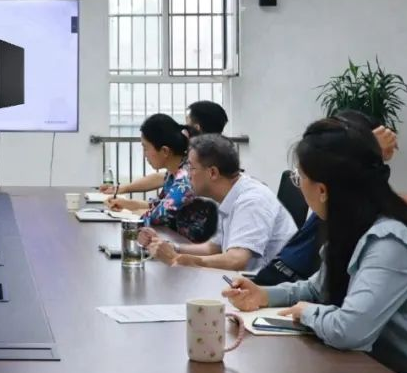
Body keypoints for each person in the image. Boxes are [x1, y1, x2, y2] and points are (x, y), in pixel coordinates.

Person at [224, 117, 407, 373]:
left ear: (323, 190)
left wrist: (307, 312)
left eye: (299, 178)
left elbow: (349, 330)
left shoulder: (390, 242)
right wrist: (263, 295)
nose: (298, 186)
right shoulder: (352, 227)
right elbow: (316, 289)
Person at [253, 110, 399, 286]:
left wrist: (369, 150)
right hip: (283, 277)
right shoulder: (330, 198)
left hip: (291, 280)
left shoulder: (383, 237)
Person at [141, 134, 296, 270]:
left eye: (191, 168)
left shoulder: (251, 201)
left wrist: (178, 259)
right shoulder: (228, 194)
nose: (187, 175)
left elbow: (236, 260)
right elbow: (213, 248)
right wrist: (171, 247)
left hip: (265, 285)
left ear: (213, 173)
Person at [106, 114, 215, 243]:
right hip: (177, 241)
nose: (144, 155)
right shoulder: (174, 173)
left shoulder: (186, 179)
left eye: (145, 148)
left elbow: (155, 218)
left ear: (165, 151)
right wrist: (127, 204)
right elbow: (158, 205)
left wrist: (131, 212)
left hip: (191, 248)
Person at [101, 100, 228, 195]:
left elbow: (162, 210)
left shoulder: (200, 165)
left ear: (197, 128)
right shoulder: (215, 155)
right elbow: (166, 177)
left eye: (187, 124)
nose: (183, 130)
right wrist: (123, 189)